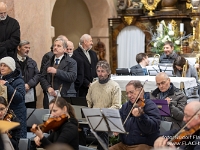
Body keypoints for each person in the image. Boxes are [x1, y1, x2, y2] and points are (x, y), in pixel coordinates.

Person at [109, 80, 161, 150]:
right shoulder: (125, 106)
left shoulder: (150, 105)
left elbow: (153, 127)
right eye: (127, 93)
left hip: (142, 145)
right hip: (124, 145)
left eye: (131, 92)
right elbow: (119, 120)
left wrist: (141, 116)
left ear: (141, 91)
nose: (129, 96)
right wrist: (116, 128)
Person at [86, 60, 121, 150]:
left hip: (108, 117)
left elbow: (116, 105)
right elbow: (88, 101)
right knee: (78, 128)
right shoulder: (93, 86)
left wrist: (102, 112)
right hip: (94, 116)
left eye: (103, 71)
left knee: (102, 130)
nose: (100, 74)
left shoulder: (115, 86)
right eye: (98, 71)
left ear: (108, 72)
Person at [40, 37, 77, 108]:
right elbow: (42, 77)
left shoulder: (71, 62)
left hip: (65, 95)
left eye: (58, 46)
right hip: (50, 96)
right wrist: (48, 88)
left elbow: (72, 77)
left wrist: (57, 71)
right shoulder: (49, 61)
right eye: (54, 45)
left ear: (65, 49)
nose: (55, 47)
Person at [0, 56, 26, 138]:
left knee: (15, 139)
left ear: (11, 68)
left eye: (5, 66)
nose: (2, 68)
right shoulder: (1, 79)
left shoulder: (19, 81)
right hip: (4, 114)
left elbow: (20, 98)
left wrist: (7, 85)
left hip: (16, 115)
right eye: (1, 65)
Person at [16, 40, 40, 108]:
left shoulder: (32, 62)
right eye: (25, 47)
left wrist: (29, 85)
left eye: (29, 48)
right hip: (17, 93)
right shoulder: (12, 61)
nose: (28, 49)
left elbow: (38, 75)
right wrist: (21, 86)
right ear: (19, 48)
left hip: (30, 94)